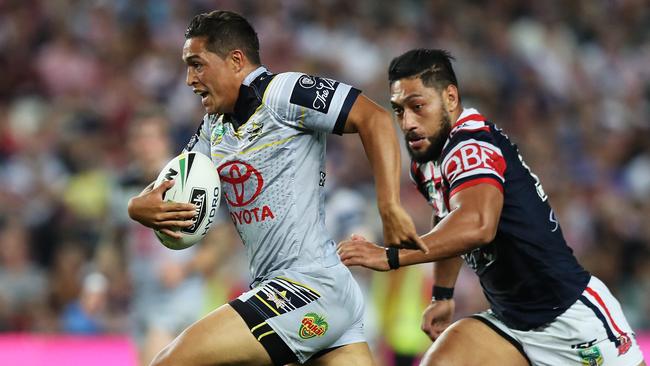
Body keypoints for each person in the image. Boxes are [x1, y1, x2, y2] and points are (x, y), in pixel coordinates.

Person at [127, 10, 425, 366]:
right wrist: (139, 208)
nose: (190, 79)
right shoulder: (213, 128)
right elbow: (170, 185)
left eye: (198, 64)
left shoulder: (283, 92)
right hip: (303, 293)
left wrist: (389, 205)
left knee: (168, 363)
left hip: (305, 287)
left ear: (236, 60)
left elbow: (373, 117)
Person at [337, 48, 646, 366]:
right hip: (510, 323)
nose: (409, 122)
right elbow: (450, 221)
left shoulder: (471, 146)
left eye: (418, 106)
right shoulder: (428, 161)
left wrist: (392, 256)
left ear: (450, 98)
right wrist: (442, 294)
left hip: (570, 318)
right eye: (399, 110)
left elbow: (477, 226)